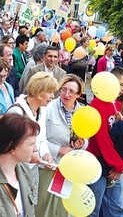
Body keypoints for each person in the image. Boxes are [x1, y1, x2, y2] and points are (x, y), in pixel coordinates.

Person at [38, 74, 87, 216]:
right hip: (49, 164)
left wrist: (81, 143)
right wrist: (58, 149)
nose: (66, 94)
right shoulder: (48, 107)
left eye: (72, 92)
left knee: (63, 207)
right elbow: (39, 138)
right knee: (44, 205)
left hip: (70, 167)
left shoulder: (81, 112)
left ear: (79, 94)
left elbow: (86, 139)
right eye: (63, 89)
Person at [87, 67, 123, 217]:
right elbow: (103, 141)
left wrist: (121, 164)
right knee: (92, 209)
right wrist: (119, 165)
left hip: (113, 165)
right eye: (121, 84)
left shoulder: (118, 106)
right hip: (98, 164)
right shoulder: (97, 105)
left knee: (115, 208)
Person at [7, 72, 57, 205]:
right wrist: (30, 156)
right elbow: (8, 146)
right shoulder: (16, 112)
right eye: (50, 92)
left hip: (32, 169)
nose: (53, 96)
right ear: (40, 92)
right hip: (14, 170)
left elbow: (42, 139)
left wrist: (46, 156)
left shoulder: (43, 110)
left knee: (30, 206)